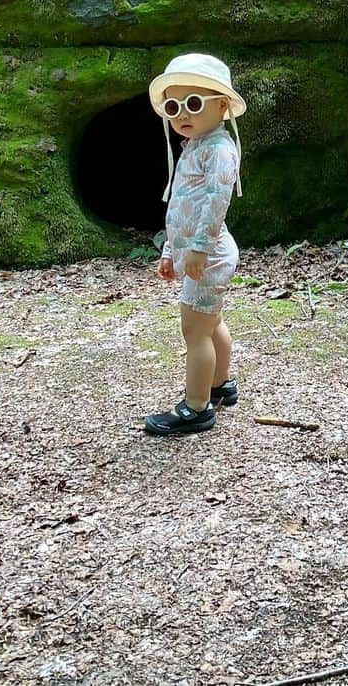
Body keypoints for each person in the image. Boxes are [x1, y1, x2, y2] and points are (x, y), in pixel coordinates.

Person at [143, 52, 245, 437]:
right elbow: (182, 207)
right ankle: (220, 384)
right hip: (200, 251)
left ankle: (196, 407)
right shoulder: (195, 146)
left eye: (193, 103)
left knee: (195, 330)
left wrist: (199, 249)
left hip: (211, 252)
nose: (182, 114)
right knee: (211, 320)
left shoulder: (219, 149)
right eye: (173, 106)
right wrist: (172, 251)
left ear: (221, 106)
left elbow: (216, 202)